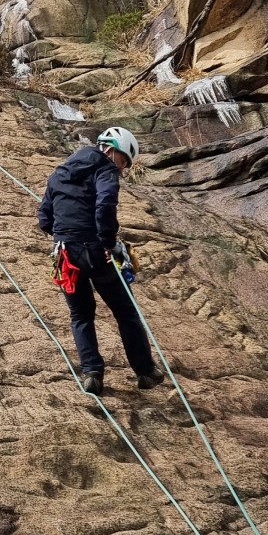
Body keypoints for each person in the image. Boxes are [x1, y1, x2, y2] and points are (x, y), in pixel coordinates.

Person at [38, 125, 165, 396]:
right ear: (109, 150)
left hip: (65, 254)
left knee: (81, 314)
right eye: (122, 161)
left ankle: (92, 373)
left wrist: (65, 233)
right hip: (97, 251)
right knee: (126, 312)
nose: (121, 169)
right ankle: (145, 372)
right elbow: (105, 204)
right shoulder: (105, 169)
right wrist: (108, 242)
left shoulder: (59, 173)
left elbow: (44, 219)